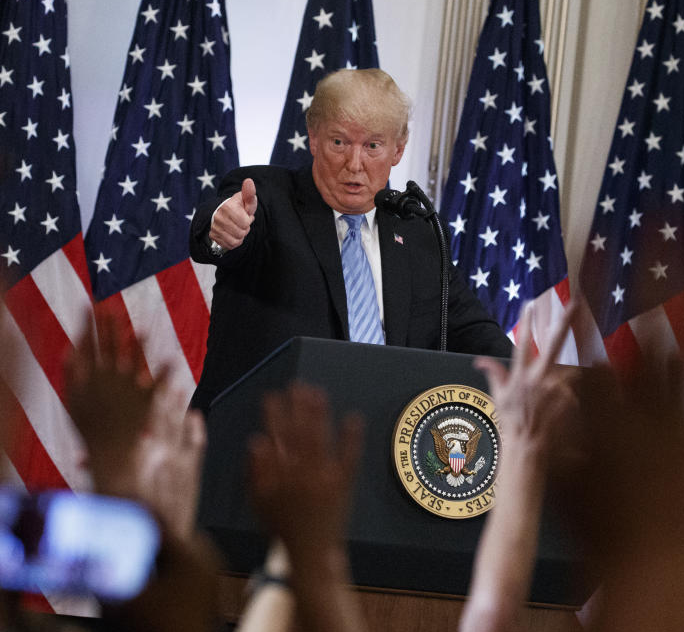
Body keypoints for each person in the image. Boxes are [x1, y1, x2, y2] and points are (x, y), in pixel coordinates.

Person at [188, 68, 512, 411]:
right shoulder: (268, 199)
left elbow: (472, 329)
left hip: (373, 444)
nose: (354, 164)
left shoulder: (420, 233)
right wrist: (222, 229)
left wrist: (535, 379)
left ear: (398, 149)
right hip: (258, 444)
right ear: (314, 137)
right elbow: (218, 228)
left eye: (373, 145)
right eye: (339, 142)